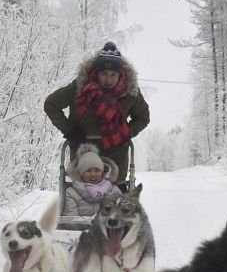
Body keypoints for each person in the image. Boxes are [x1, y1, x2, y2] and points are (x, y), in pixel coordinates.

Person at [44, 42, 150, 191]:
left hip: (116, 152)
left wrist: (125, 133)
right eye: (104, 74)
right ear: (96, 72)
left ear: (121, 75)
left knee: (115, 199)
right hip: (83, 148)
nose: (108, 79)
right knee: (80, 198)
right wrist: (70, 131)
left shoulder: (130, 93)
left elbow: (143, 117)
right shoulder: (79, 88)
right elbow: (51, 104)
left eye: (113, 75)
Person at [63, 144, 119, 216]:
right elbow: (71, 219)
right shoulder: (71, 193)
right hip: (81, 226)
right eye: (88, 171)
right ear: (80, 173)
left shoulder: (113, 190)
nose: (93, 174)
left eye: (97, 170)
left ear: (102, 172)